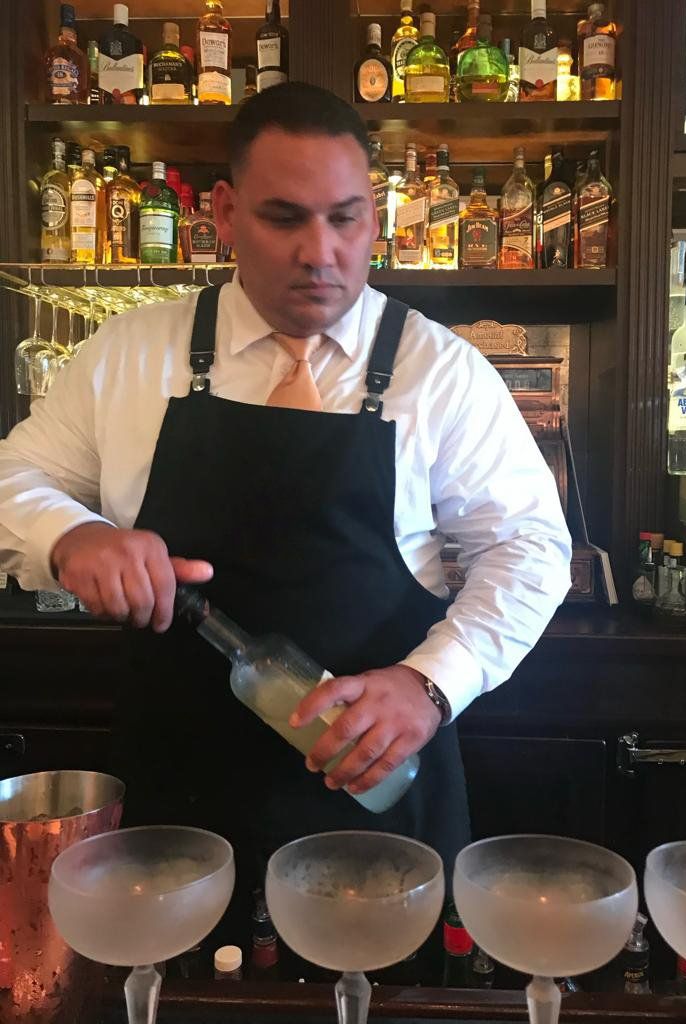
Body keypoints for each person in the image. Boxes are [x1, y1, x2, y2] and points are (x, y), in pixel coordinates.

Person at [0, 83, 571, 946]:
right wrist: (70, 535)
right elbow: (16, 478)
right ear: (225, 213)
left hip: (379, 804)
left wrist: (430, 684)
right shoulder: (127, 356)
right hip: (177, 802)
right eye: (284, 218)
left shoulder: (439, 372)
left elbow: (530, 549)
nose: (322, 253)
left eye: (347, 219)